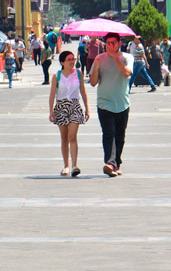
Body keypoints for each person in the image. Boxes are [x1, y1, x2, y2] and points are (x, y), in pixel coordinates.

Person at [89, 32, 133, 177]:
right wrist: (96, 66)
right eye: (108, 43)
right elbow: (93, 82)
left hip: (122, 103)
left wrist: (115, 57)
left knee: (120, 136)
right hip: (104, 103)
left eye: (113, 43)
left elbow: (126, 73)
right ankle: (110, 163)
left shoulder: (127, 58)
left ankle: (116, 164)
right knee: (109, 134)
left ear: (120, 43)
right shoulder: (100, 59)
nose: (110, 46)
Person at [49, 51, 90, 177]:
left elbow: (83, 91)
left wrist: (87, 109)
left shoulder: (78, 73)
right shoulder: (57, 76)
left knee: (72, 136)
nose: (72, 62)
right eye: (69, 60)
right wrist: (51, 111)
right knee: (64, 137)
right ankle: (66, 165)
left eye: (73, 59)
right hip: (61, 106)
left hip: (74, 106)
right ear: (62, 62)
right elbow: (52, 94)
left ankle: (74, 165)